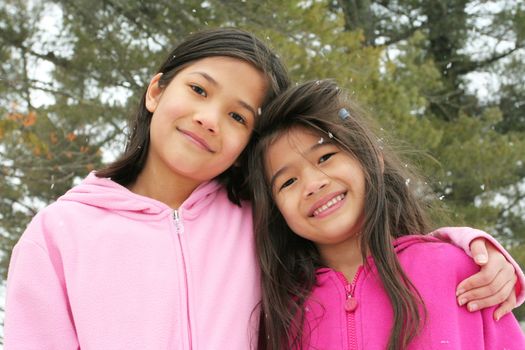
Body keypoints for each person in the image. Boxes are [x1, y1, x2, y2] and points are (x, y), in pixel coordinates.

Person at [3, 29, 523, 349]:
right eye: (199, 90)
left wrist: (467, 245)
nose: (209, 119)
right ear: (157, 90)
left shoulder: (254, 217)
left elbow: (354, 251)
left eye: (237, 115)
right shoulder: (61, 233)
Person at [247, 79, 525, 349]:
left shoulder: (459, 273)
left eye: (325, 157)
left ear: (372, 158)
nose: (312, 184)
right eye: (288, 182)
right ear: (275, 210)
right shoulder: (281, 316)